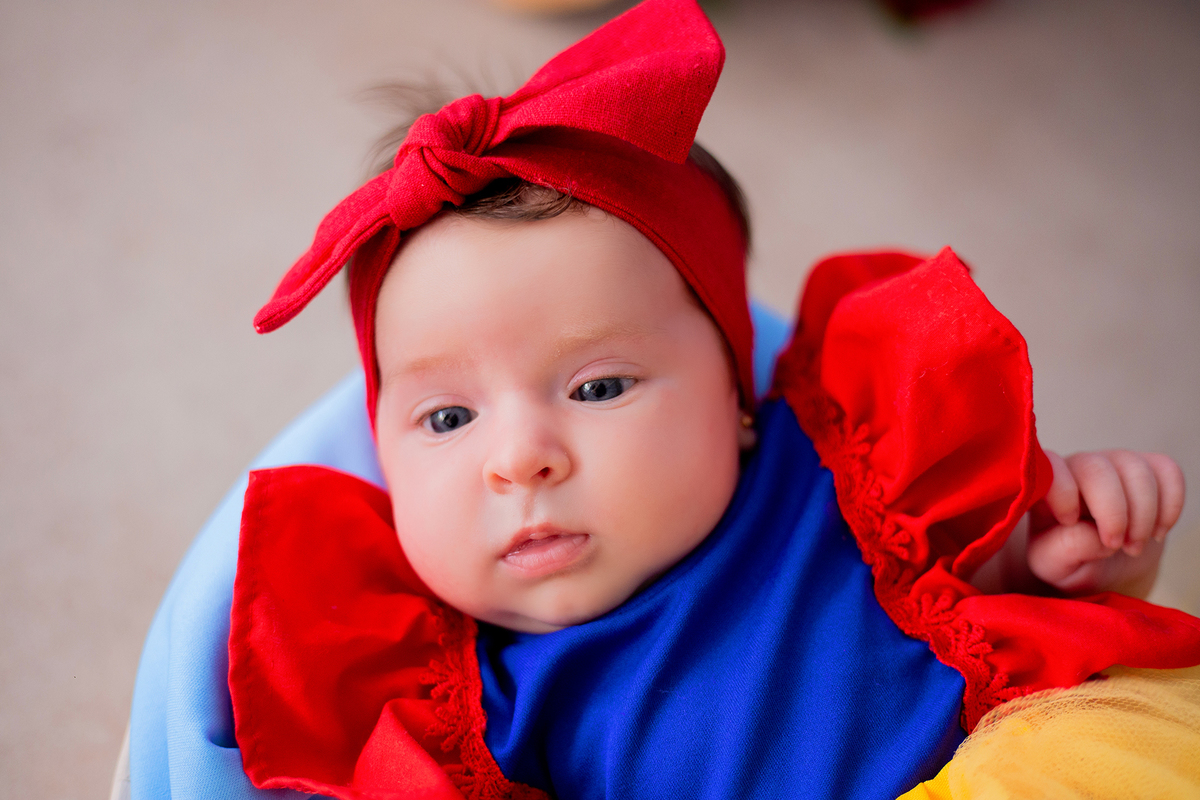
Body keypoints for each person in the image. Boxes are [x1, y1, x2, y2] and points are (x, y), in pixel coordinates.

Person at [216, 1, 1200, 798]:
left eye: (598, 385)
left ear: (736, 393)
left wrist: (1069, 550)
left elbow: (1003, 613)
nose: (518, 458)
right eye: (446, 417)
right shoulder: (477, 705)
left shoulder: (838, 470)